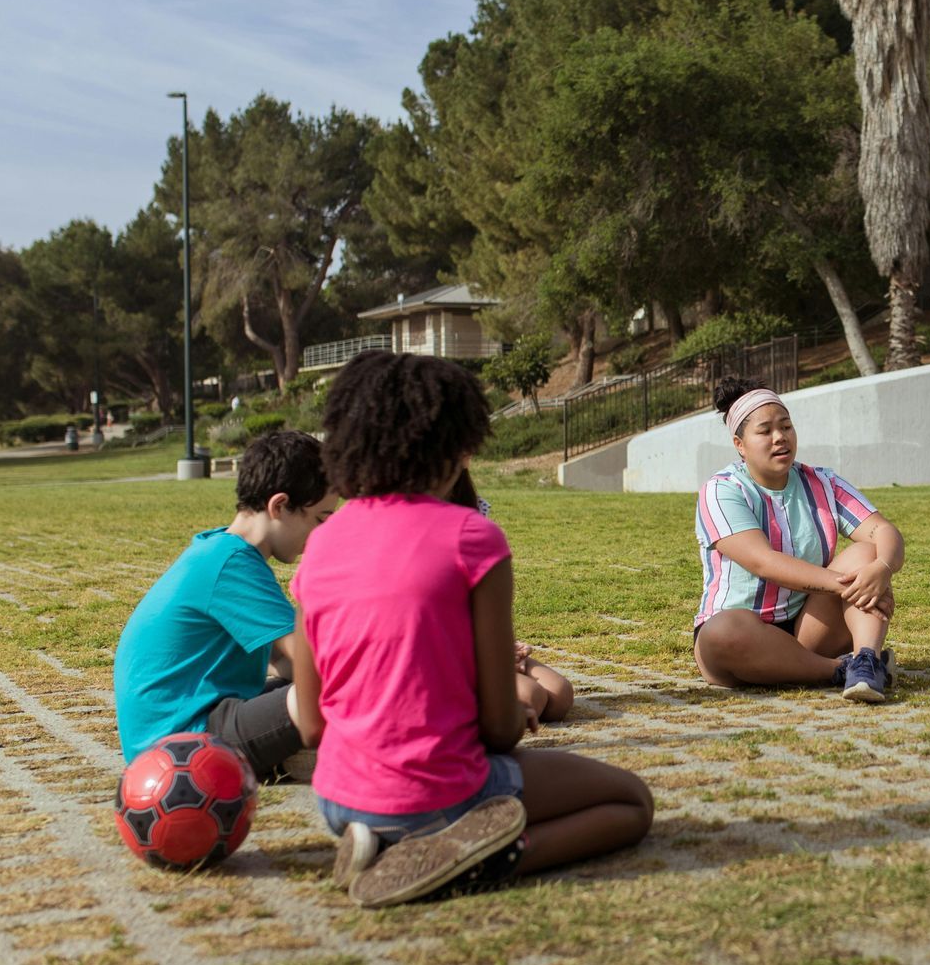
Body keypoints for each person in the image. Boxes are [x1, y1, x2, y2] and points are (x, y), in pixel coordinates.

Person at [292, 350, 652, 909]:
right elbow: (499, 731)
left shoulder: (320, 544)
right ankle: (467, 861)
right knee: (631, 803)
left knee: (403, 797)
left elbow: (313, 726)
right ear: (456, 446)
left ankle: (383, 844)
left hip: (338, 799)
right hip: (439, 791)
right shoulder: (471, 536)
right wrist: (512, 714)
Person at [113, 431, 337, 777]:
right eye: (321, 519)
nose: (323, 535)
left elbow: (282, 658)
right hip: (179, 745)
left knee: (316, 691)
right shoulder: (233, 564)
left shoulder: (223, 552)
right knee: (327, 693)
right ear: (279, 506)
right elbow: (312, 661)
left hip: (182, 725)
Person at [693, 377, 906, 703]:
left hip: (809, 629)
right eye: (765, 431)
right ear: (740, 444)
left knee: (866, 554)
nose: (780, 438)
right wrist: (850, 586)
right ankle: (837, 670)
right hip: (743, 636)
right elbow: (764, 563)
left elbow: (883, 531)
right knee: (723, 632)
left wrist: (882, 569)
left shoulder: (823, 481)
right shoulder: (722, 490)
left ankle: (866, 660)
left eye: (786, 427)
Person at [447, 470, 575, 724]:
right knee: (531, 697)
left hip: (481, 643)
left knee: (560, 695)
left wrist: (504, 649)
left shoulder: (471, 517)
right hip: (452, 652)